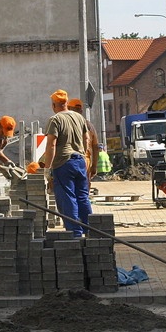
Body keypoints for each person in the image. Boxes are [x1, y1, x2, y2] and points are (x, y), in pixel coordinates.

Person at [43, 89, 91, 237]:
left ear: (53, 105)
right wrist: (84, 155)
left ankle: (74, 233)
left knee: (68, 197)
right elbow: (87, 139)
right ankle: (90, 230)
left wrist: (47, 167)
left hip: (63, 163)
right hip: (80, 160)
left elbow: (51, 145)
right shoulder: (79, 117)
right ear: (66, 103)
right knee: (82, 197)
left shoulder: (55, 119)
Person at [68, 98, 99, 180]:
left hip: (69, 161)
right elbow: (96, 147)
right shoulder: (89, 125)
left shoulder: (65, 124)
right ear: (81, 111)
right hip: (85, 162)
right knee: (83, 189)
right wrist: (94, 166)